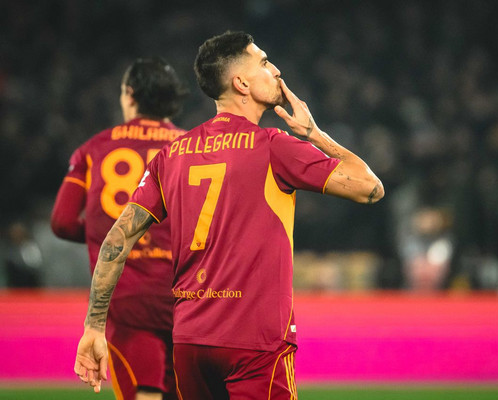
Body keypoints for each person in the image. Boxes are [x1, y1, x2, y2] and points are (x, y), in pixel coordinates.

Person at [74, 31, 384, 399]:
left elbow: (117, 239)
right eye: (264, 62)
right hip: (255, 344)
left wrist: (94, 327)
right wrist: (314, 133)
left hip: (190, 343)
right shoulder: (273, 145)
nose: (276, 70)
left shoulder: (172, 155)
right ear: (242, 83)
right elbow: (369, 187)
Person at [53, 57, 187, 400]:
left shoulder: (94, 148)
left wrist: (104, 235)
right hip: (189, 296)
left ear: (129, 94)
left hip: (129, 297)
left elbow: (62, 221)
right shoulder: (193, 146)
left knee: (145, 392)